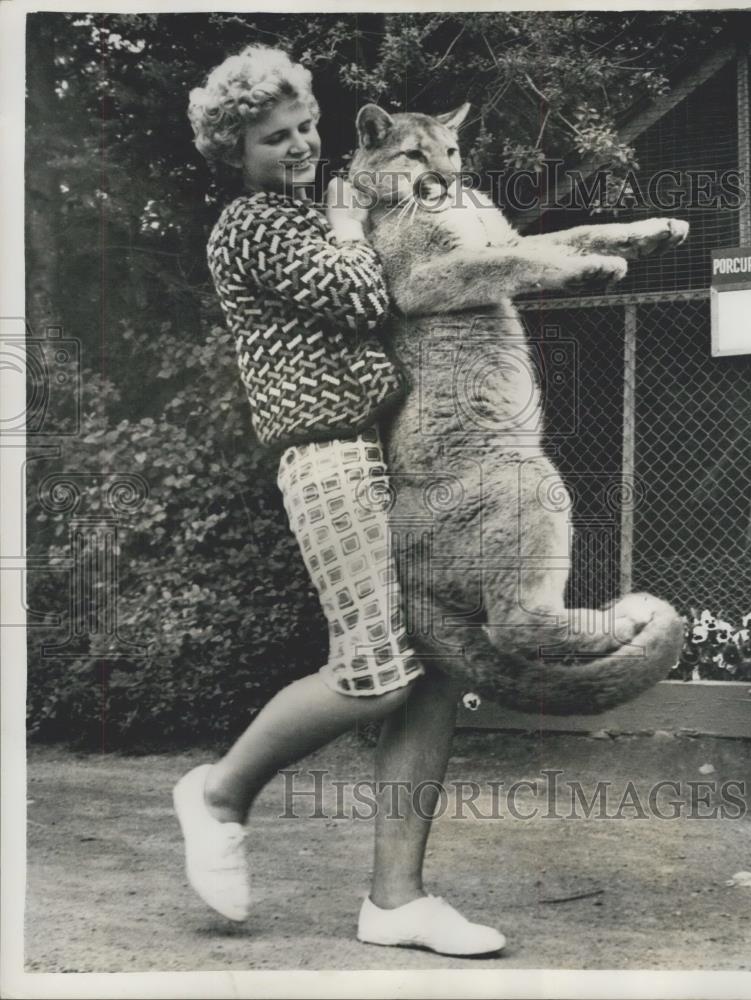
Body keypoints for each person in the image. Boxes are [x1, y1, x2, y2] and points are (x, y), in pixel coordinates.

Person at [175, 44, 505, 957]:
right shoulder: (255, 225)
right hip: (326, 458)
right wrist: (352, 218)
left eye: (304, 127)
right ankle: (218, 794)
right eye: (272, 137)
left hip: (389, 449)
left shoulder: (313, 212)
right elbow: (363, 296)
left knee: (435, 664)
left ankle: (395, 901)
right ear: (234, 153)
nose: (297, 146)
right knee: (375, 672)